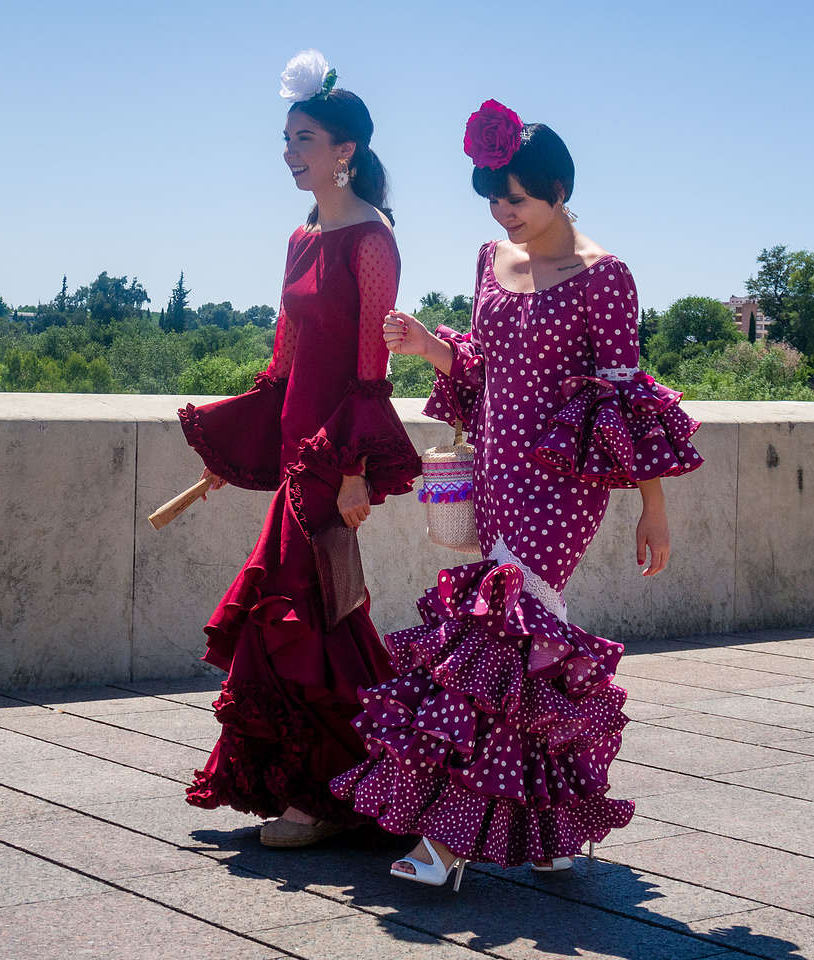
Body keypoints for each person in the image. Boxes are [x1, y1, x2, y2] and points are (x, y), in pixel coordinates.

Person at [329, 100, 704, 888]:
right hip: (498, 469)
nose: (505, 213)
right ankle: (551, 826)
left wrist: (654, 507)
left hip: (562, 487)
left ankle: (447, 841)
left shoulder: (606, 278)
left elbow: (629, 400)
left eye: (519, 199)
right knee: (525, 645)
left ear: (560, 189)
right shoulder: (487, 259)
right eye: (494, 198)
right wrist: (426, 344)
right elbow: (480, 366)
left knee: (494, 632)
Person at [176, 50, 420, 847]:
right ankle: (368, 777)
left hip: (331, 455)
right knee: (321, 608)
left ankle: (316, 797)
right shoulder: (301, 235)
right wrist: (234, 451)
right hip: (290, 447)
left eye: (302, 137)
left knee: (298, 600)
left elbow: (370, 369)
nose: (289, 152)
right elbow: (282, 361)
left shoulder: (372, 240)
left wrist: (353, 470)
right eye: (286, 138)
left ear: (343, 149)